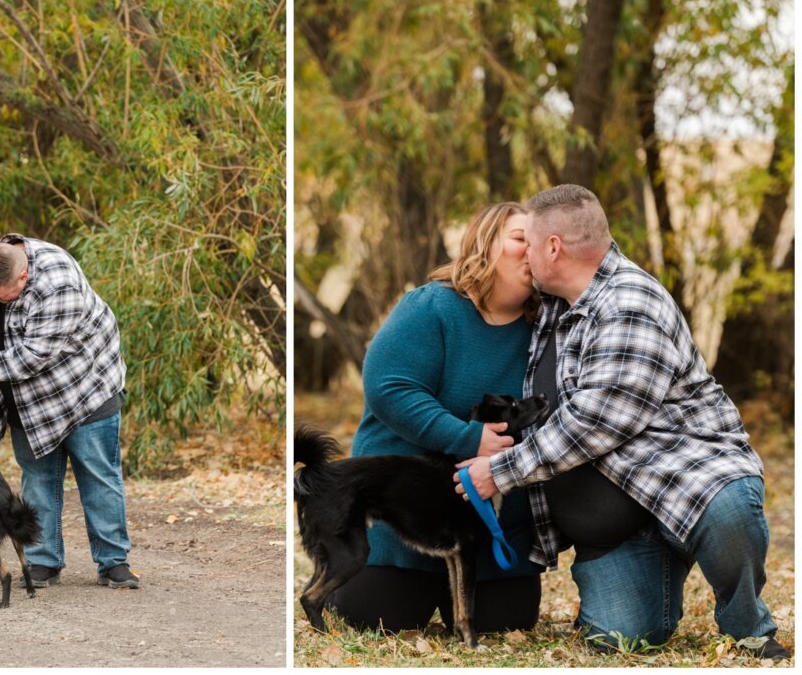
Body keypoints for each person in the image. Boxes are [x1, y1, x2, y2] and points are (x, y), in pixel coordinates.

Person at [457, 184, 788, 660]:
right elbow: (488, 292)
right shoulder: (555, 303)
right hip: (624, 520)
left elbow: (595, 422)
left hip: (687, 475)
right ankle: (663, 562)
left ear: (554, 248)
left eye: (527, 242)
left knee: (728, 512)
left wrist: (500, 471)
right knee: (619, 640)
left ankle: (747, 624)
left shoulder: (629, 302)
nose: (524, 254)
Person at [326, 202, 543, 634]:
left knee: (504, 624)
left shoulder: (548, 327)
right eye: (520, 238)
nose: (532, 250)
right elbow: (389, 387)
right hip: (407, 514)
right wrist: (467, 438)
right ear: (485, 245)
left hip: (494, 533)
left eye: (539, 242)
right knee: (377, 618)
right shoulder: (433, 308)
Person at [0, 233, 138, 591]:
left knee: (98, 474)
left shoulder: (58, 280)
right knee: (38, 477)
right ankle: (43, 561)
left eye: (3, 298)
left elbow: (34, 356)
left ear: (23, 277)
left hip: (84, 384)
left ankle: (113, 563)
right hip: (25, 396)